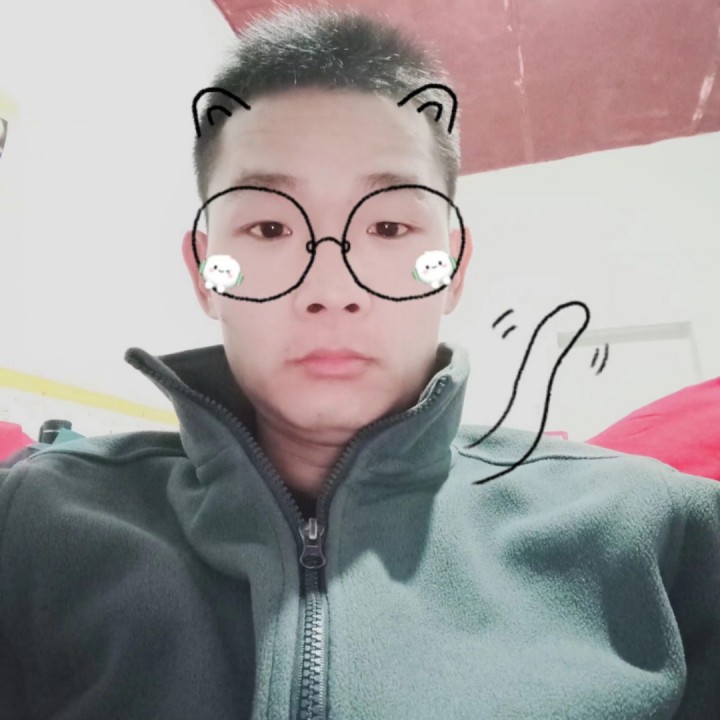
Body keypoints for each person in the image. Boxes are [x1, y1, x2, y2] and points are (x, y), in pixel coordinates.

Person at [0, 5, 718, 719]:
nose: (331, 288)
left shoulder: (658, 532)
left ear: (453, 268)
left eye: (390, 225)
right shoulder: (35, 523)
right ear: (205, 272)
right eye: (270, 226)